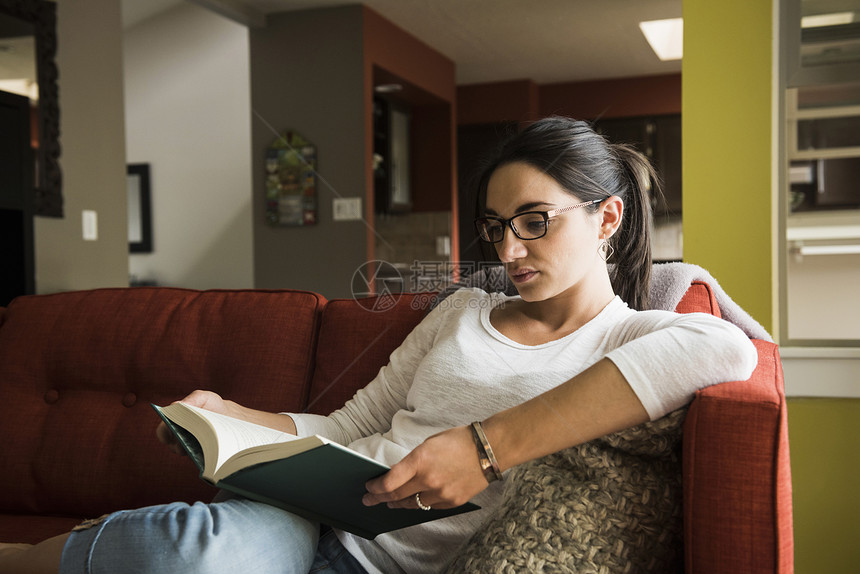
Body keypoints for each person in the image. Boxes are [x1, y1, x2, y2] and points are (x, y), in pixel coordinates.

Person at [0, 116, 757, 574]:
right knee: (195, 554)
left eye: (536, 220)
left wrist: (483, 448)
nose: (511, 248)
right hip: (313, 518)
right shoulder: (463, 309)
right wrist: (231, 415)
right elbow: (345, 430)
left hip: (399, 559)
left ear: (607, 218)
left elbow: (728, 354)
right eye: (497, 227)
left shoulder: (631, 335)